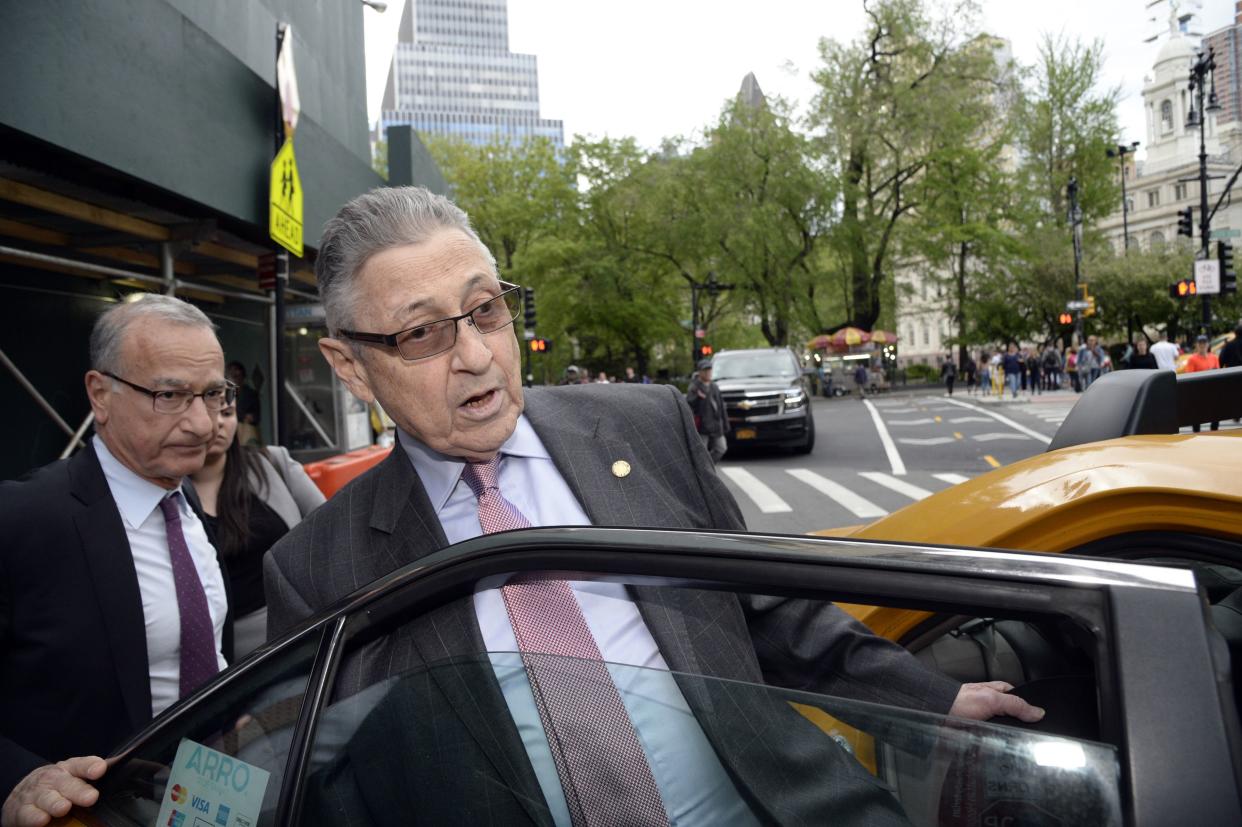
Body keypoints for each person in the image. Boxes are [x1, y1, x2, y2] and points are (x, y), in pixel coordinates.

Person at [263, 187, 1040, 824]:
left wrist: (934, 699)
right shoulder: (319, 568)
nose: (475, 355)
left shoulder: (646, 427)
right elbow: (331, 795)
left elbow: (771, 608)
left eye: (487, 310)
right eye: (423, 334)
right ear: (352, 368)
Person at [0, 295, 235, 824]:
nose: (203, 424)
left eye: (214, 394)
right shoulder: (22, 521)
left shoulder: (187, 502)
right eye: (170, 395)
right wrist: (18, 779)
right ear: (100, 394)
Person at [188, 403, 325, 657]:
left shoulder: (273, 463)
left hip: (307, 632)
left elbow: (329, 529)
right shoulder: (172, 496)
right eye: (208, 413)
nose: (218, 423)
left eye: (227, 413)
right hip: (229, 658)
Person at [686, 358, 729, 463]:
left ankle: (708, 467)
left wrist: (725, 424)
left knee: (721, 448)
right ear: (700, 372)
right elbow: (689, 404)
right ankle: (703, 471)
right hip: (701, 426)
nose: (708, 373)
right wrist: (697, 396)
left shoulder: (714, 386)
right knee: (701, 452)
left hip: (716, 424)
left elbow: (721, 407)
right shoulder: (694, 387)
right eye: (705, 370)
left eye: (709, 370)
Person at [1184, 334, 1221, 432]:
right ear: (1196, 345)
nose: (1202, 345)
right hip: (1198, 391)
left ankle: (1214, 432)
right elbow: (1189, 376)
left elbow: (1218, 372)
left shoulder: (1214, 357)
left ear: (1208, 344)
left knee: (1216, 413)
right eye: (1200, 343)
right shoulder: (1192, 359)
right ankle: (1196, 434)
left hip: (1212, 390)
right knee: (1197, 415)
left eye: (1204, 343)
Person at [225, 361, 261, 444]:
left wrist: (247, 417)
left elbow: (255, 417)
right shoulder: (223, 394)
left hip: (245, 436)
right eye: (231, 376)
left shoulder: (251, 394)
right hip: (229, 434)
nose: (234, 379)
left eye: (237, 375)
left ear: (243, 376)